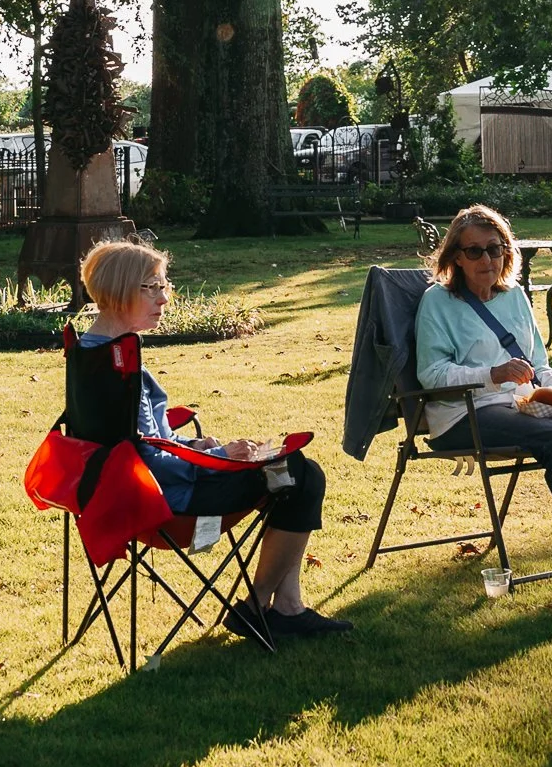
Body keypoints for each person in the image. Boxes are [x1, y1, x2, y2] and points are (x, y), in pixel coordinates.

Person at [71, 239, 351, 643]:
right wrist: (219, 455)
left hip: (130, 490)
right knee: (299, 475)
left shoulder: (91, 351)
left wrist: (194, 446)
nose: (164, 298)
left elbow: (139, 440)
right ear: (118, 292)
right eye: (152, 287)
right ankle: (262, 609)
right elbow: (145, 455)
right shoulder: (116, 366)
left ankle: (285, 607)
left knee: (294, 472)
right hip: (167, 502)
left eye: (163, 285)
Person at [413, 205, 552, 525]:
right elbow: (431, 373)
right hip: (463, 413)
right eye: (474, 251)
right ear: (457, 257)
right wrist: (492, 375)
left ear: (506, 251)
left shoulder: (514, 294)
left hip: (518, 405)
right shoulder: (438, 302)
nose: (487, 260)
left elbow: (537, 362)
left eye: (494, 249)